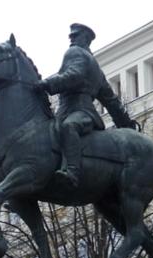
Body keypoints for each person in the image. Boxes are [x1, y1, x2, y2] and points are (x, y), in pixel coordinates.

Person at [37, 23, 138, 187]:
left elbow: (74, 76)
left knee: (69, 127)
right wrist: (126, 124)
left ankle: (72, 171)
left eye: (75, 35)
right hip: (65, 112)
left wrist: (47, 83)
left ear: (86, 38)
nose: (71, 38)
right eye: (71, 36)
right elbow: (111, 101)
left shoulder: (75, 52)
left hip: (81, 111)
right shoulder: (96, 68)